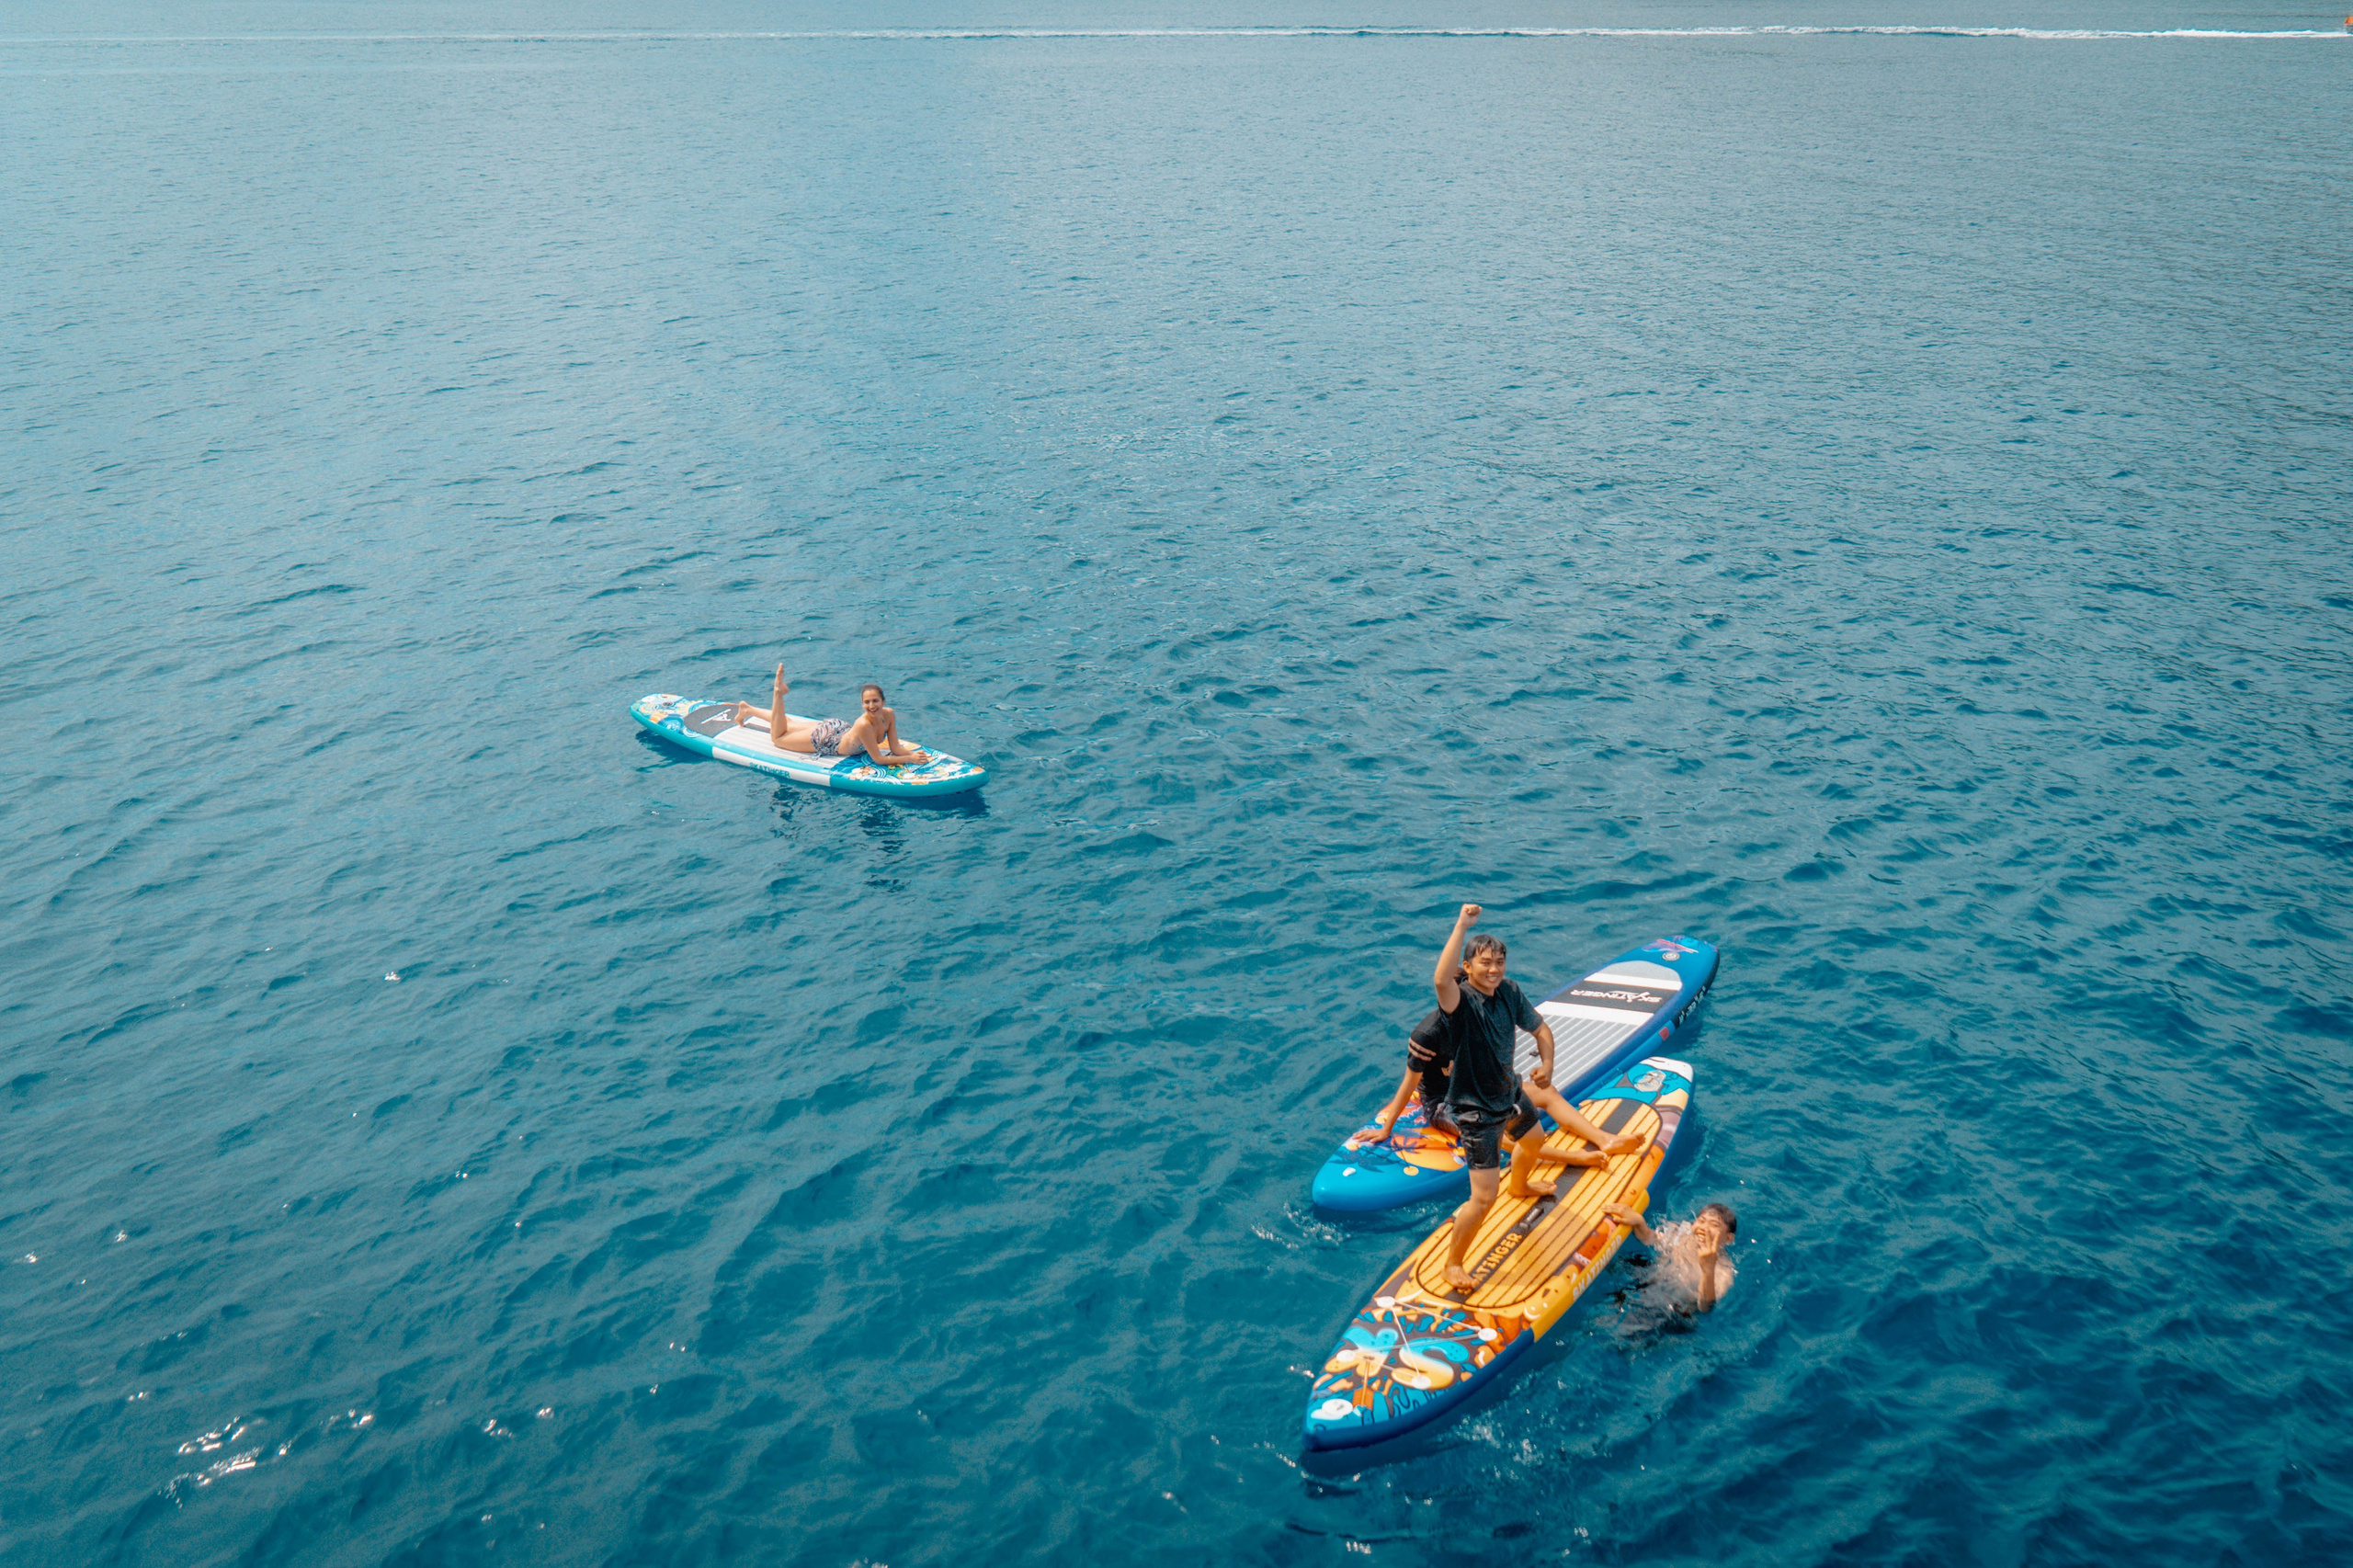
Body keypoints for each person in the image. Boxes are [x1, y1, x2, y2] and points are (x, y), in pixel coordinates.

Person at [1436, 903, 1647, 1290]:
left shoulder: (1509, 992)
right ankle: (1453, 1264)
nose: (1494, 969)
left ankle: (1520, 1186)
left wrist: (1548, 1066)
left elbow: (1542, 1030)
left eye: (1499, 962)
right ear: (1468, 967)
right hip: (1475, 1112)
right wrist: (1462, 925)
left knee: (1534, 1140)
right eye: (1485, 963)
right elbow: (1439, 981)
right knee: (1483, 1199)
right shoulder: (1461, 1003)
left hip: (1510, 1091)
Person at [733, 666, 931, 767]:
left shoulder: (889, 715)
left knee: (789, 724)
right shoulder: (863, 725)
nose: (871, 706)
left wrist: (911, 754)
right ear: (862, 704)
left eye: (875, 701)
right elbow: (878, 759)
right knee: (778, 738)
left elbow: (895, 747)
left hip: (838, 728)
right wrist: (910, 760)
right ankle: (778, 692)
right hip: (827, 740)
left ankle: (747, 709)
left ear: (883, 701)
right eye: (866, 702)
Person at [1602, 1200, 1738, 1313]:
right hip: (1646, 1285)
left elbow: (1705, 1307)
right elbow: (1651, 1239)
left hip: (1671, 1311)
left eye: (1714, 1225)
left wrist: (1708, 1270)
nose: (1704, 1228)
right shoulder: (1682, 1237)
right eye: (1701, 1221)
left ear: (1728, 1238)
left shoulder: (1723, 1271)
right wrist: (1639, 1223)